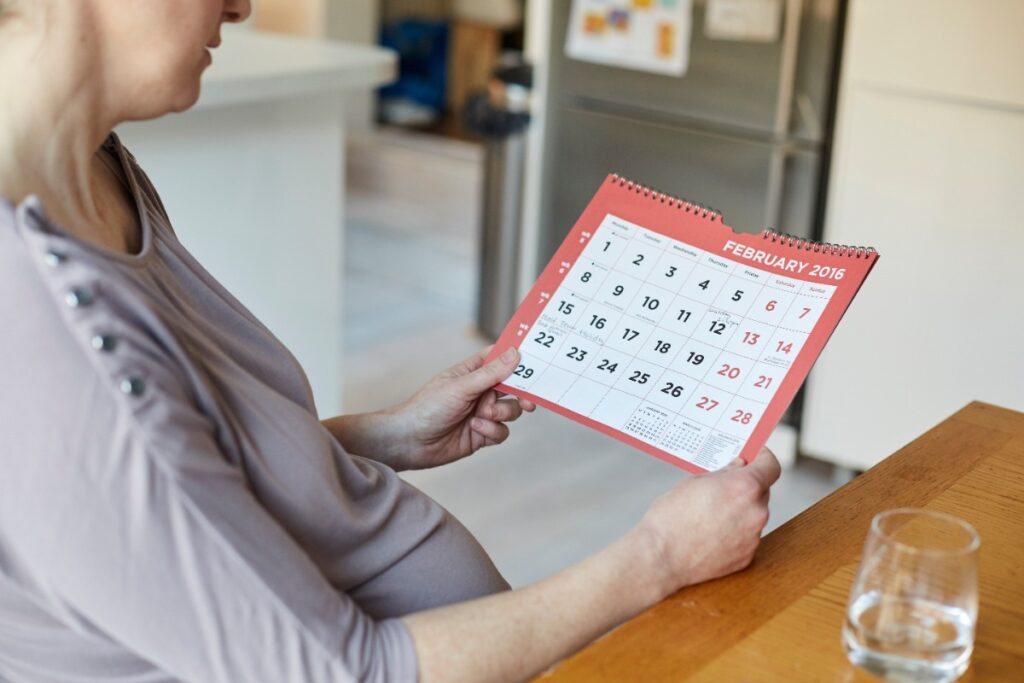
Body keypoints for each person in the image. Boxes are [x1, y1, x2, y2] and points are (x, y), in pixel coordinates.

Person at [0, 1, 781, 681]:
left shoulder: (95, 169)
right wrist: (658, 557)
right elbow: (339, 671)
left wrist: (388, 434)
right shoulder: (33, 322)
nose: (240, 8)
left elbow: (187, 480)